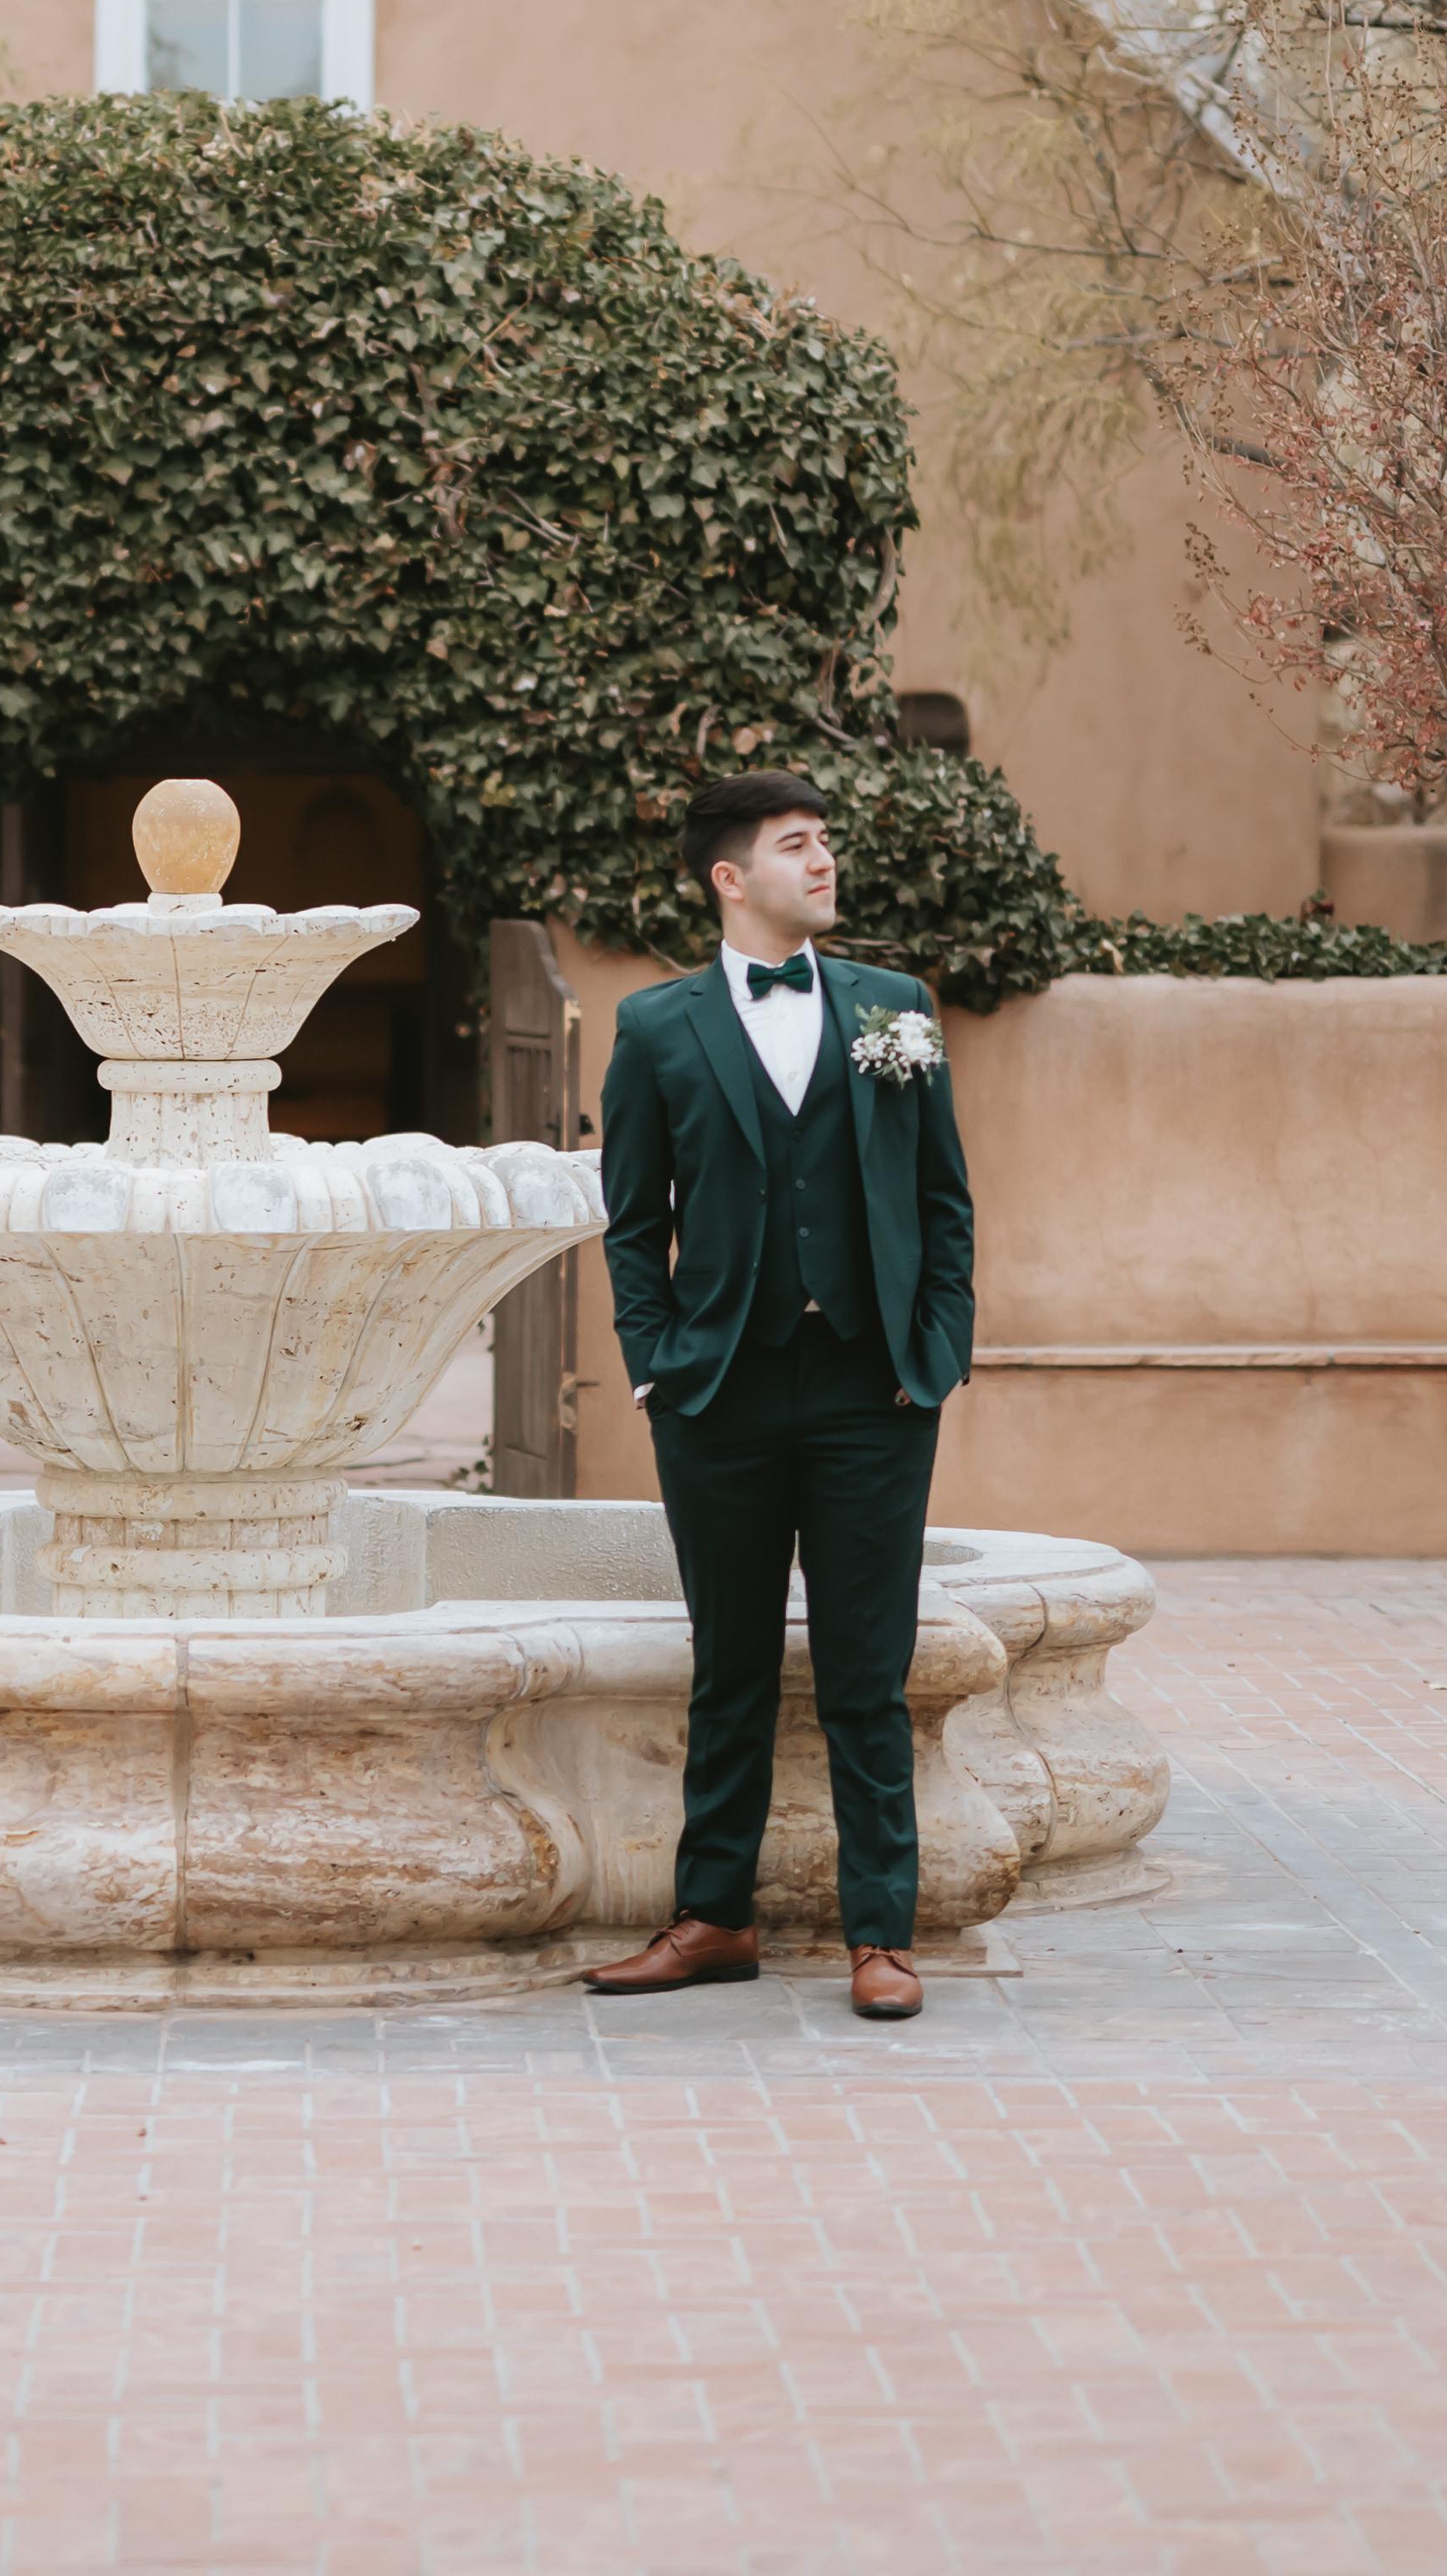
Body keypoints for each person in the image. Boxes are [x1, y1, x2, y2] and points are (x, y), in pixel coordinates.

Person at [580, 769, 976, 2022]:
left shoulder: (895, 1009)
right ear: (730, 877)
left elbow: (945, 1200)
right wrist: (657, 1363)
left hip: (872, 1389)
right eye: (795, 844)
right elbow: (633, 1222)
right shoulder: (656, 1027)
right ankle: (714, 1919)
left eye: (825, 841)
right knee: (731, 1665)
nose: (822, 860)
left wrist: (935, 1352)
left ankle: (881, 1935)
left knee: (868, 1670)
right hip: (719, 1391)